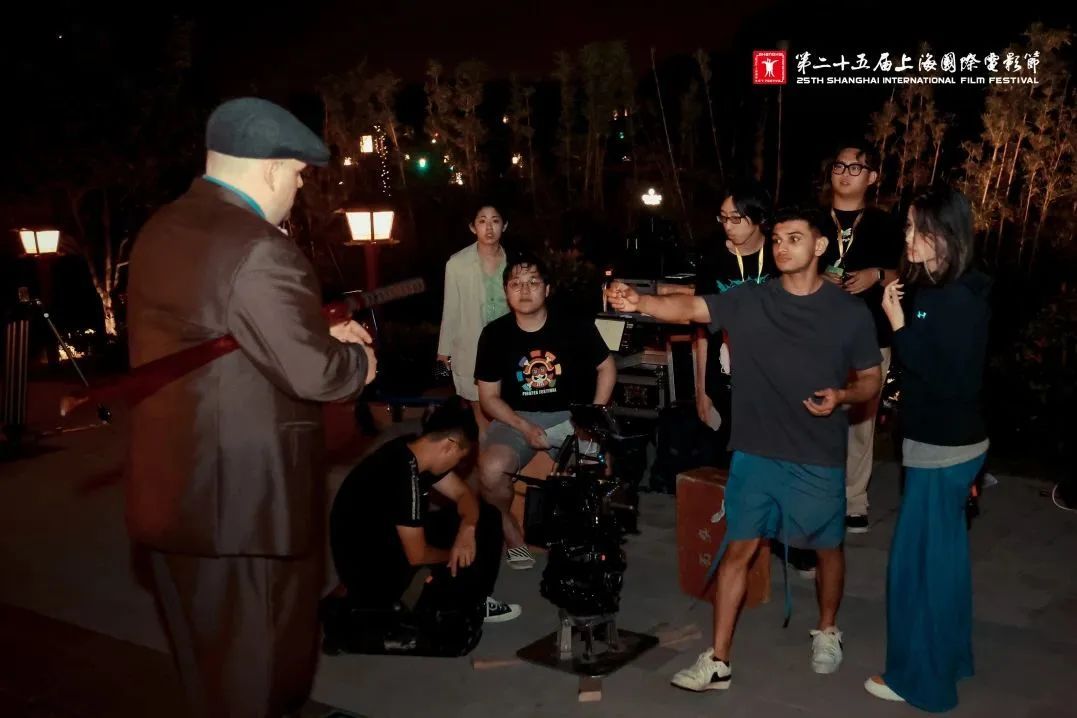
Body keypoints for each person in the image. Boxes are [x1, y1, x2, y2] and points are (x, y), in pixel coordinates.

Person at [126, 97, 376, 718]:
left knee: (207, 678)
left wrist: (305, 334)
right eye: (297, 174)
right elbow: (316, 373)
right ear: (270, 169)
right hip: (245, 514)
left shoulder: (163, 229)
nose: (298, 187)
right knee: (259, 685)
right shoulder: (259, 247)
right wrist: (357, 360)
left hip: (174, 500)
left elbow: (222, 338)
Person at [607, 207, 882, 691]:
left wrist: (842, 396)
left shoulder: (848, 312)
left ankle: (827, 629)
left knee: (827, 547)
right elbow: (692, 309)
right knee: (737, 549)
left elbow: (871, 379)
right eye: (777, 239)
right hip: (755, 450)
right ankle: (719, 660)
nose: (781, 247)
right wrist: (641, 301)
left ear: (820, 246)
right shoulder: (753, 298)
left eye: (794, 238)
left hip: (816, 452)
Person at [865, 188, 991, 711]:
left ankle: (922, 682)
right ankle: (951, 660)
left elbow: (945, 377)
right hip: (953, 445)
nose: (910, 238)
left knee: (917, 572)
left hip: (942, 449)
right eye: (908, 227)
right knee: (944, 563)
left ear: (949, 234)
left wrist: (897, 324)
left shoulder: (951, 297)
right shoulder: (954, 289)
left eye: (921, 229)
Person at [476, 253, 617, 569]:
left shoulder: (574, 325)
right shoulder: (495, 334)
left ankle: (584, 540)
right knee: (491, 469)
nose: (524, 290)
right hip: (516, 418)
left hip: (569, 415)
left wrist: (591, 418)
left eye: (533, 282)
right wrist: (523, 426)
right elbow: (488, 397)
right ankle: (511, 533)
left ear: (547, 289)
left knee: (597, 465)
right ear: (506, 291)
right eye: (516, 284)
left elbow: (607, 367)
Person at [329, 396, 520, 626]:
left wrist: (467, 528)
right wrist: (457, 553)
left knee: (486, 516)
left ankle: (472, 596)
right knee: (462, 552)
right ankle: (463, 603)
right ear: (449, 446)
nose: (457, 465)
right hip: (372, 572)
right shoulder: (403, 477)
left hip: (383, 541)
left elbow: (463, 494)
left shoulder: (412, 450)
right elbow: (417, 554)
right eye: (459, 458)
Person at [819, 144, 905, 534]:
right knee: (816, 414)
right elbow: (782, 269)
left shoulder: (886, 225)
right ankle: (818, 492)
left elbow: (904, 275)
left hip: (869, 335)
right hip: (817, 334)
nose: (845, 173)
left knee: (860, 422)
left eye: (856, 168)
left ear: (872, 177)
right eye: (839, 165)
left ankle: (854, 499)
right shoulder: (812, 221)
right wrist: (817, 277)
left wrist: (876, 275)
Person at [692, 180, 776, 455]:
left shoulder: (780, 255)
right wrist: (702, 391)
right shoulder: (712, 260)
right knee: (727, 459)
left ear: (759, 217)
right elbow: (701, 332)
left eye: (736, 218)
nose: (728, 225)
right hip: (725, 379)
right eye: (723, 217)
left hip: (773, 381)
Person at [436, 202, 512, 422]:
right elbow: (450, 310)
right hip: (472, 348)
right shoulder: (457, 264)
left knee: (509, 413)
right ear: (473, 227)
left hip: (508, 347)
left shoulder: (514, 262)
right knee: (481, 417)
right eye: (482, 221)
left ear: (504, 226)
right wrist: (443, 354)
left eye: (495, 221)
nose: (489, 228)